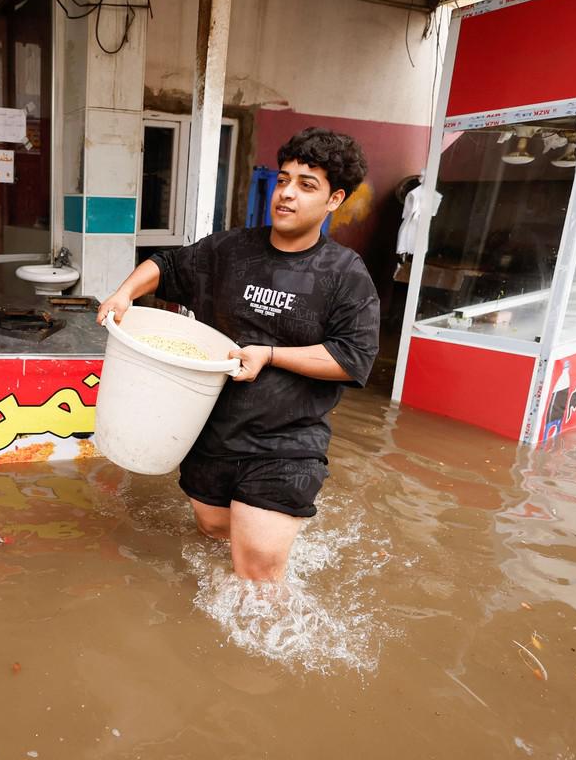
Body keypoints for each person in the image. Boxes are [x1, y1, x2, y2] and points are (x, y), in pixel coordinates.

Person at [96, 127, 379, 582]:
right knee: (213, 530)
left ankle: (263, 638)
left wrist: (270, 355)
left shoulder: (345, 275)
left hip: (286, 442)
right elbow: (166, 265)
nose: (286, 194)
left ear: (334, 199)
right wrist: (124, 294)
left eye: (306, 185)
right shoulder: (231, 250)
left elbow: (353, 358)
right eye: (283, 180)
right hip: (212, 431)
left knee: (259, 572)